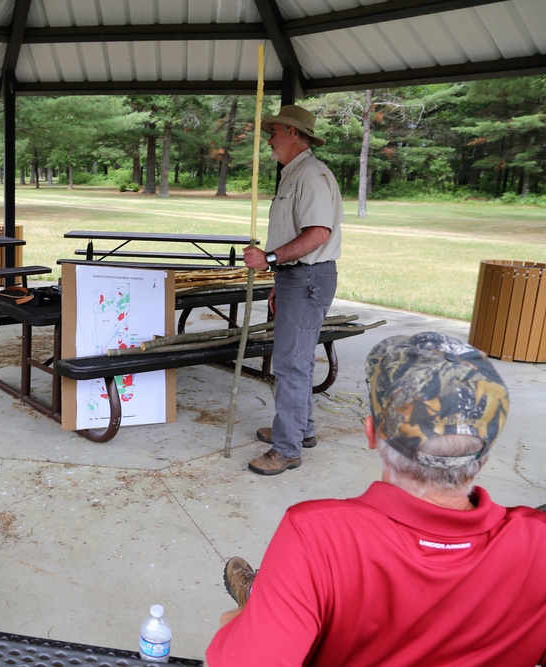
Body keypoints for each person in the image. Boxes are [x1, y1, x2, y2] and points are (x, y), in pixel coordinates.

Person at [207, 331, 546, 667]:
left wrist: (238, 629)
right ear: (485, 452)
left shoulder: (318, 537)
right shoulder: (537, 542)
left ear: (371, 433)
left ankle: (260, 596)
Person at [242, 104, 343, 476]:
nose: (269, 138)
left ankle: (287, 449)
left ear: (294, 135)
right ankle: (303, 430)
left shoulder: (311, 175)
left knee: (291, 365)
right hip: (297, 278)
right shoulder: (294, 173)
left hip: (309, 277)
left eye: (275, 131)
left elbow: (318, 234)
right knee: (294, 359)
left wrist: (269, 257)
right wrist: (280, 278)